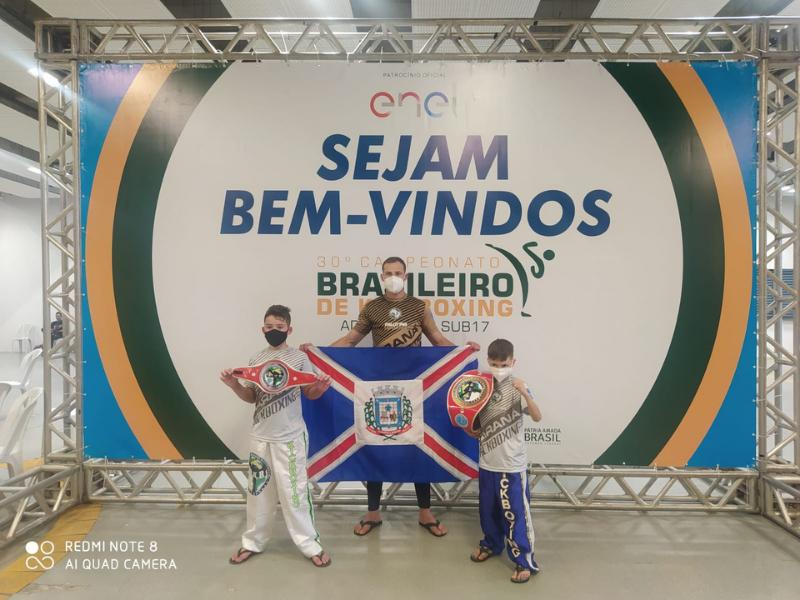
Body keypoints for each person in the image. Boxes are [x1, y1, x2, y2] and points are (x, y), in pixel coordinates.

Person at [303, 256, 480, 538]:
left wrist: (464, 351)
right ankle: (373, 512)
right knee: (371, 443)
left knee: (418, 448)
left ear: (406, 276)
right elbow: (350, 340)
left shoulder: (419, 306)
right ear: (381, 276)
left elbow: (436, 339)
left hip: (415, 386)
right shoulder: (372, 307)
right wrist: (317, 352)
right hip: (378, 384)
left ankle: (425, 512)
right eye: (388, 273)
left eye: (398, 272)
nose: (393, 276)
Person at [220, 304, 333, 568]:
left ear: (289, 329)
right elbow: (251, 397)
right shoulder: (256, 359)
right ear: (263, 329)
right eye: (269, 327)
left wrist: (321, 387)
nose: (274, 331)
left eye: (279, 327)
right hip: (260, 437)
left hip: (290, 437)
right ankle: (252, 542)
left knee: (295, 493)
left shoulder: (299, 359)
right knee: (258, 492)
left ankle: (310, 544)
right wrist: (234, 384)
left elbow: (310, 394)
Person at [468, 338, 543, 583]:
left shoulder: (518, 386)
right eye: (494, 363)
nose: (499, 368)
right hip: (487, 461)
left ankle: (525, 561)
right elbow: (473, 421)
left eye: (504, 364)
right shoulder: (481, 386)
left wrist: (525, 393)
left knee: (515, 514)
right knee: (488, 511)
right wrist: (471, 429)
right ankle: (491, 544)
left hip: (512, 465)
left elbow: (537, 416)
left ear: (513, 362)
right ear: (487, 362)